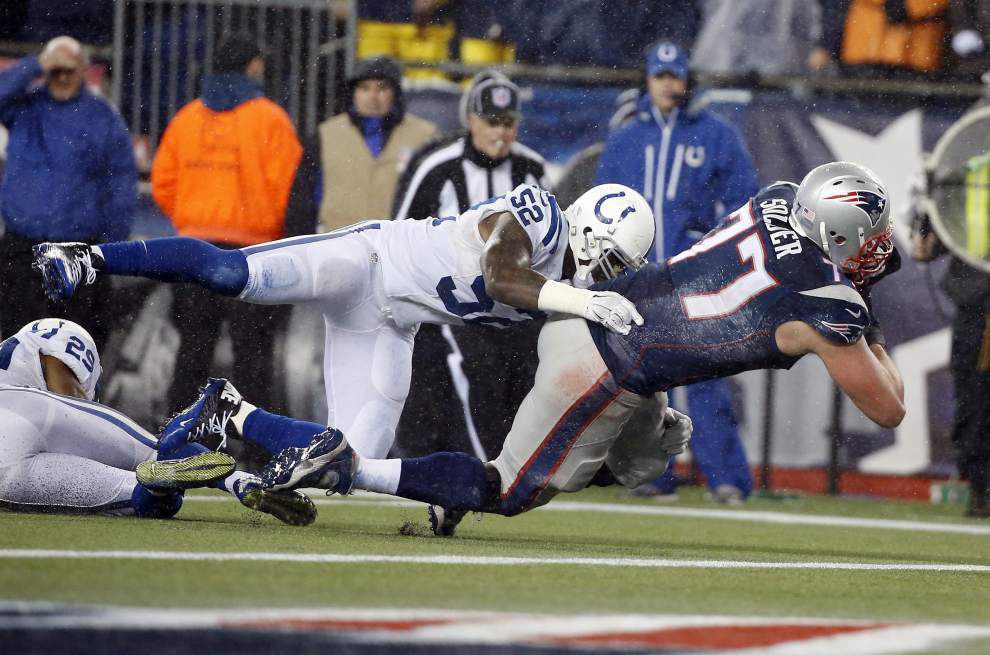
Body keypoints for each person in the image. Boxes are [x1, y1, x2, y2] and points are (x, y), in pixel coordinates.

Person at [258, 162, 905, 535]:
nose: (877, 243)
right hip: (606, 365)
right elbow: (888, 407)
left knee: (649, 456)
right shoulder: (826, 303)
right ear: (840, 233)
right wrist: (866, 311)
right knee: (506, 489)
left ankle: (442, 496)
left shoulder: (778, 199)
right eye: (867, 234)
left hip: (605, 322)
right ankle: (347, 464)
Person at [33, 183, 657, 468]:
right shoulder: (540, 213)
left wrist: (650, 411)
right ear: (593, 228)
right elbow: (501, 275)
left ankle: (230, 420)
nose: (610, 275)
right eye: (616, 258)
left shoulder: (571, 290)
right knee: (227, 274)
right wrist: (580, 304)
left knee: (348, 465)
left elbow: (590, 355)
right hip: (364, 263)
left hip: (389, 326)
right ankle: (86, 257)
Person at [595, 40, 759, 503]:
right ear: (647, 80)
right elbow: (601, 204)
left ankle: (727, 479)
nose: (669, 84)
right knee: (645, 382)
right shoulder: (627, 137)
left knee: (708, 374)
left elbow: (746, 201)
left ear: (688, 80)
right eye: (660, 75)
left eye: (676, 76)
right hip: (639, 276)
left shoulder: (715, 134)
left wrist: (719, 254)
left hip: (695, 276)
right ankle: (653, 473)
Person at [0, 319, 315, 525]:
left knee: (142, 496)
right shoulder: (59, 343)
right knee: (151, 455)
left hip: (13, 461)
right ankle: (223, 474)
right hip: (21, 412)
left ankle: (155, 488)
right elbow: (61, 377)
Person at [392, 74, 549, 458]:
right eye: (492, 122)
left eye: (508, 123)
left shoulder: (531, 169)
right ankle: (451, 466)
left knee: (524, 379)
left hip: (510, 308)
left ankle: (508, 467)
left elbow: (549, 242)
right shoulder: (437, 167)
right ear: (472, 121)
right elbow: (399, 235)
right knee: (452, 386)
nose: (500, 133)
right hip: (447, 307)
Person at [150, 33, 302, 416]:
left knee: (193, 349)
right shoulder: (271, 118)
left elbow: (162, 182)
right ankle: (258, 444)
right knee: (252, 354)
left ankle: (180, 436)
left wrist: (191, 218)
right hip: (252, 253)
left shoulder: (186, 118)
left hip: (195, 250)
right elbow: (289, 187)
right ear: (253, 67)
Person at [0, 36, 136, 349]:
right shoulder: (25, 107)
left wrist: (110, 251)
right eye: (55, 70)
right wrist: (36, 62)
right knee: (16, 347)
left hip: (76, 252)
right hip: (21, 249)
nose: (61, 77)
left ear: (84, 71)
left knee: (72, 350)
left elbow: (121, 185)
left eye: (68, 70)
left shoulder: (102, 118)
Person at [286, 56, 437, 234]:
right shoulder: (326, 135)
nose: (373, 97)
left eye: (382, 88)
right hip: (336, 244)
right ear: (353, 93)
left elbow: (434, 197)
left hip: (398, 247)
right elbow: (303, 200)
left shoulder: (424, 136)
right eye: (364, 88)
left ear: (395, 93)